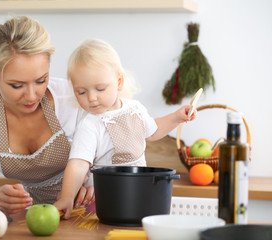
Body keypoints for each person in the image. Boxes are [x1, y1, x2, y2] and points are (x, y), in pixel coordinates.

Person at [0, 16, 94, 215]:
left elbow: (108, 155)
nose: (32, 96)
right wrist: (0, 197)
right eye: (17, 85)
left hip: (86, 209)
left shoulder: (70, 96)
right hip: (33, 214)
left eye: (41, 80)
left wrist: (93, 185)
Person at [54, 39, 197, 218]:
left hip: (139, 193)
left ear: (119, 82)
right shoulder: (90, 124)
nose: (91, 98)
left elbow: (153, 130)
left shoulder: (135, 108)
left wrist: (177, 117)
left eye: (100, 88)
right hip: (103, 202)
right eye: (81, 92)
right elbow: (78, 164)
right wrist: (67, 197)